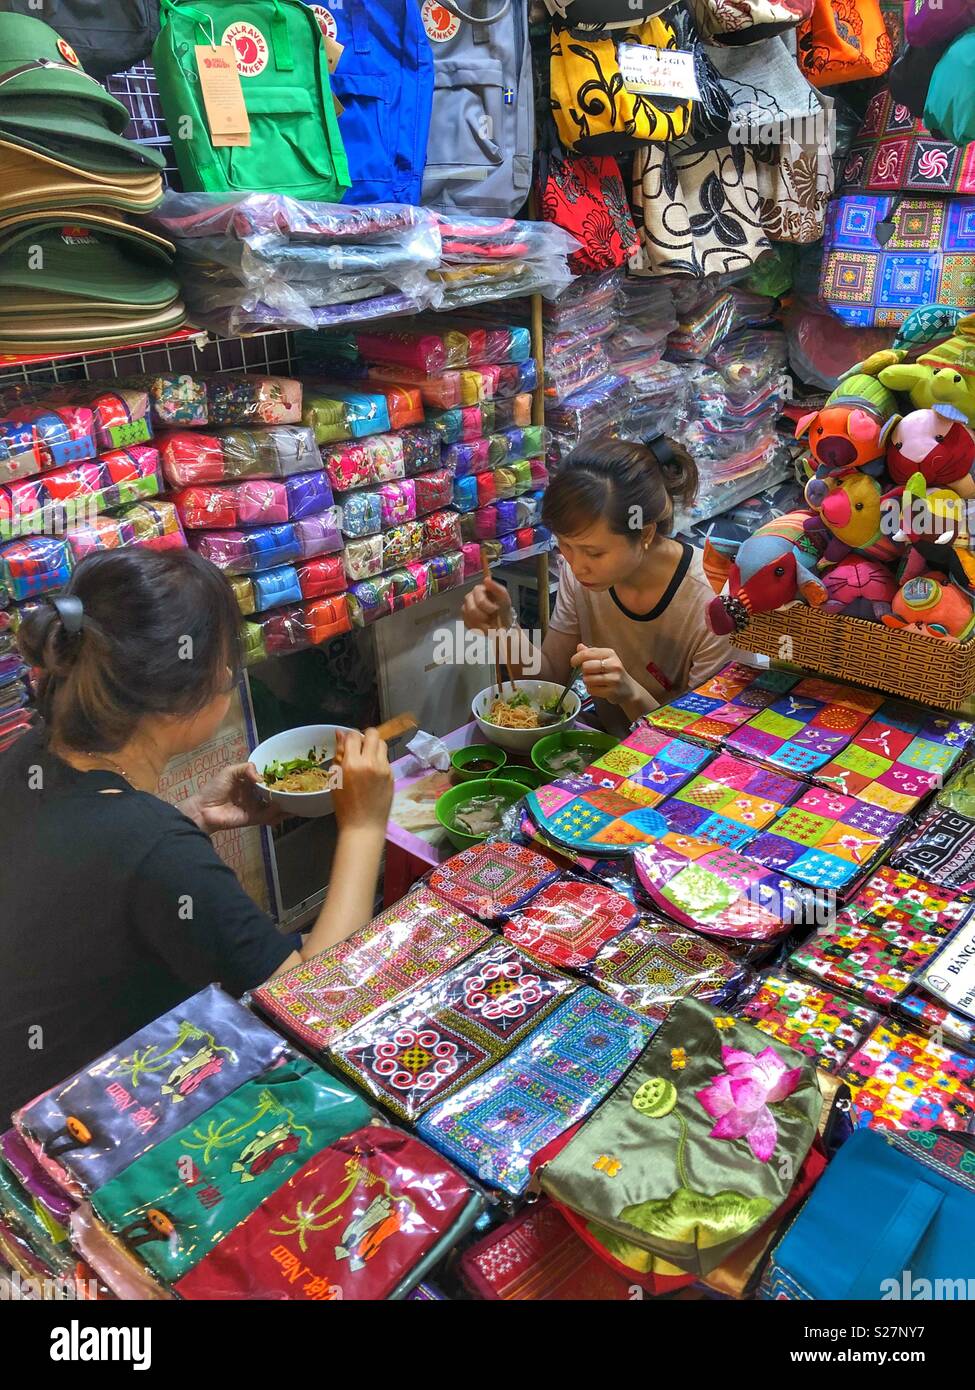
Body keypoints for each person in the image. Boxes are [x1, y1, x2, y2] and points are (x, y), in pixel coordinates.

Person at [0, 548, 393, 1122]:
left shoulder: (31, 754)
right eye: (226, 663)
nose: (232, 677)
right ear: (183, 691)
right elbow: (316, 1004)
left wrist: (191, 818)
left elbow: (95, 886)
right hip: (78, 1132)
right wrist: (362, 824)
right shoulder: (156, 851)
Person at [464, 433, 732, 736]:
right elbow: (551, 679)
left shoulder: (714, 604)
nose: (577, 566)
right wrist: (504, 628)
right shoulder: (581, 576)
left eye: (594, 552)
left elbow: (700, 743)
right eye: (565, 545)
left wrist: (630, 693)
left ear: (644, 533)